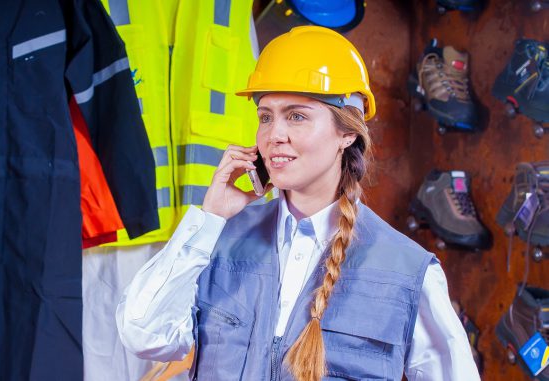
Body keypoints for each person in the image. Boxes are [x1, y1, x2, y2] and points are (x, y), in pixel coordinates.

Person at [116, 26, 479, 381]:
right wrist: (211, 218)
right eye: (265, 117)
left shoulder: (407, 271)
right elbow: (143, 334)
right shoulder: (216, 242)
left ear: (347, 132)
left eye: (297, 116)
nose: (275, 135)